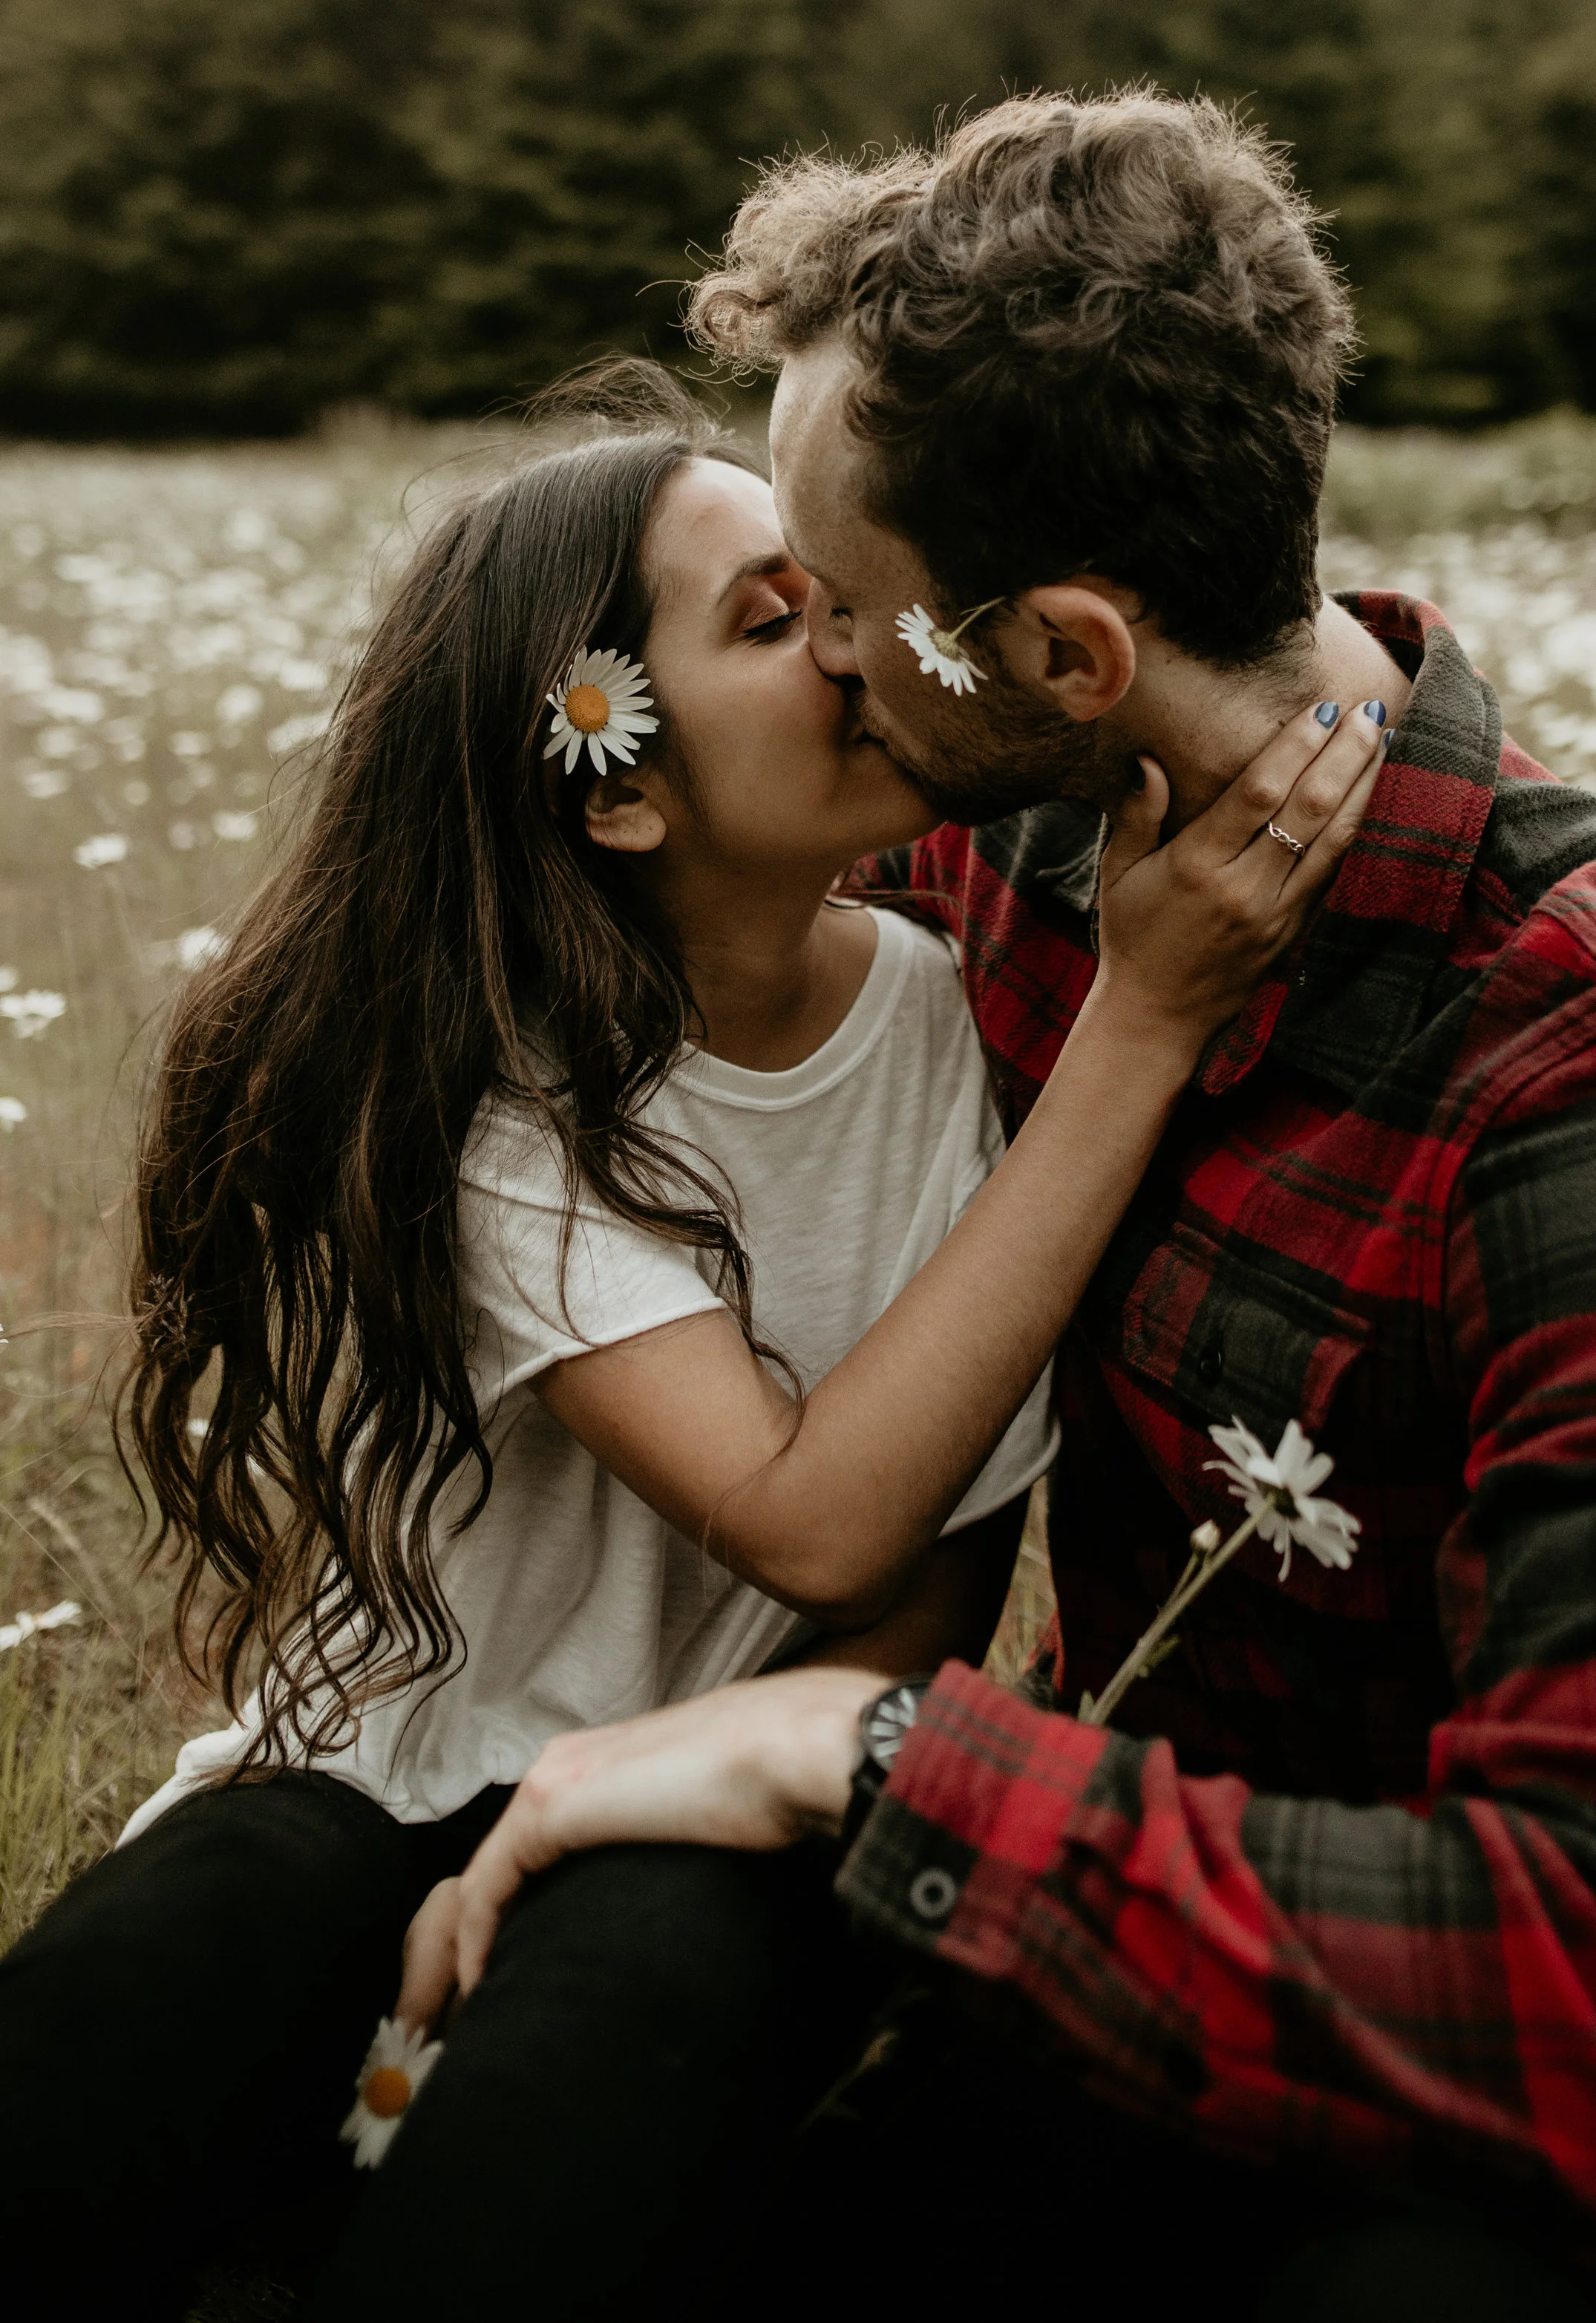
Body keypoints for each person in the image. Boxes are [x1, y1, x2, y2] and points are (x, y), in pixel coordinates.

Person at [413, 94, 1596, 2322]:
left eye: (854, 613)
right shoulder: (1010, 832)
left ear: (1066, 656)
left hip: (1464, 2088)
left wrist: (878, 1751)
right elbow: (648, 902)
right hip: (1109, 1948)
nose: (824, 665)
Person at [0, 369, 1377, 2323]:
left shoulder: (947, 1004)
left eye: (837, 586)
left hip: (720, 1801)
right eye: (766, 617)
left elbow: (933, 1570)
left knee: (613, 2022)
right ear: (620, 778)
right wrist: (1142, 1028)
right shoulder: (517, 1104)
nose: (853, 637)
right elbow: (810, 1522)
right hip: (399, 1768)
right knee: (182, 1956)